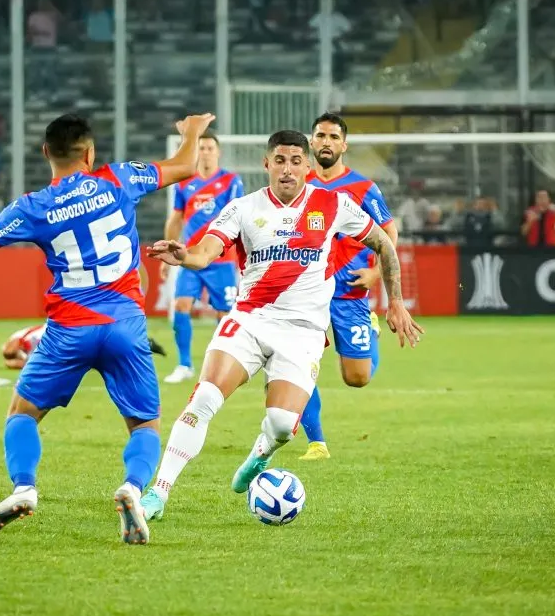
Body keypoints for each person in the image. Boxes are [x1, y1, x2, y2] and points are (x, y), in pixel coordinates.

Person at [0, 112, 215, 545]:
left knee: (22, 413)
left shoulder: (32, 207)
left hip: (69, 328)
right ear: (90, 152)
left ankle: (24, 489)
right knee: (144, 426)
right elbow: (183, 166)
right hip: (125, 323)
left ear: (46, 151)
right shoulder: (119, 178)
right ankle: (131, 489)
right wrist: (193, 130)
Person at [138, 130, 422, 521]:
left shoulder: (334, 204)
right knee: (203, 398)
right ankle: (158, 493)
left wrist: (396, 303)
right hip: (250, 320)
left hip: (303, 333)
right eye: (280, 160)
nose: (287, 169)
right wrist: (184, 255)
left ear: (306, 166)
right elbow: (206, 251)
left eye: (295, 161)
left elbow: (384, 244)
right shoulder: (242, 208)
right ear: (266, 164)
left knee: (283, 425)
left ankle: (261, 453)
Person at [300, 112, 399, 461]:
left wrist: (375, 273)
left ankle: (368, 328)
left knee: (357, 378)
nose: (325, 142)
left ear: (344, 144)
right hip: (307, 290)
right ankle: (317, 443)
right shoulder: (299, 184)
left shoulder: (362, 188)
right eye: (320, 135)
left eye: (332, 136)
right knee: (298, 362)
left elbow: (389, 232)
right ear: (311, 141)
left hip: (350, 290)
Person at [161, 131, 244, 384]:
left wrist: (244, 256)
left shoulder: (231, 182)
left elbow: (240, 218)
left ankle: (224, 365)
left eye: (210, 148)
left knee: (224, 314)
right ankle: (184, 364)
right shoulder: (185, 182)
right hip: (190, 257)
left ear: (218, 152)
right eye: (202, 148)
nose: (206, 152)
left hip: (221, 259)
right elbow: (175, 219)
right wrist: (167, 255)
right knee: (181, 306)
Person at [2, 324, 166, 369]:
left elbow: (11, 351)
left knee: (107, 342)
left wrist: (11, 360)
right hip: (64, 346)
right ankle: (143, 344)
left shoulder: (24, 337)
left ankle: (144, 343)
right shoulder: (28, 354)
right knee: (107, 348)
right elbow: (16, 362)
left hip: (64, 333)